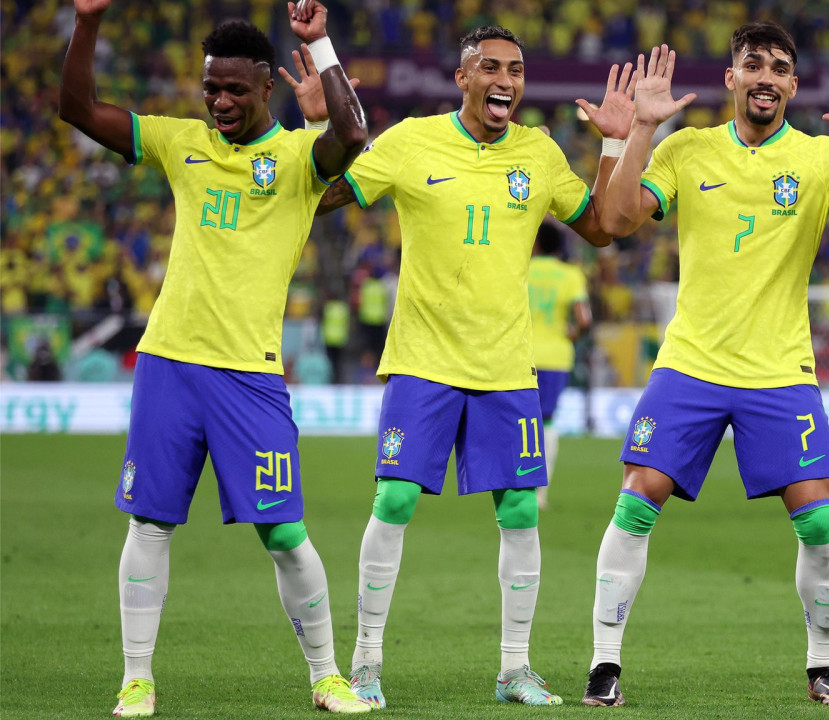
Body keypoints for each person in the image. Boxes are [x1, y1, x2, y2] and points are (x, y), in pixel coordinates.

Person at [297, 25, 629, 708]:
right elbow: (321, 200)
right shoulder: (411, 141)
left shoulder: (538, 152)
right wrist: (314, 139)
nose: (506, 79)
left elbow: (598, 226)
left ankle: (514, 670)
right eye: (491, 67)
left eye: (516, 69)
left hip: (508, 366)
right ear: (463, 78)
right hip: (422, 359)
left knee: (518, 513)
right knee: (394, 499)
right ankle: (365, 664)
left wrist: (616, 146)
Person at [59, 0, 371, 715]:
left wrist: (320, 45)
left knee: (286, 533)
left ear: (268, 89)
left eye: (235, 89)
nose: (220, 101)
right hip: (168, 362)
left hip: (250, 374)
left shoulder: (298, 159)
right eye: (210, 88)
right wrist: (86, 22)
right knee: (149, 522)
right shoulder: (179, 142)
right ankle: (137, 678)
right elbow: (77, 107)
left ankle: (326, 677)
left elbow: (351, 134)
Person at [583, 24, 829, 707]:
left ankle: (823, 664)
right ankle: (604, 662)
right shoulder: (688, 149)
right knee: (639, 496)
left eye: (780, 67)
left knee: (819, 520)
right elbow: (613, 220)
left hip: (781, 370)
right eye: (752, 64)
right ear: (731, 78)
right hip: (691, 363)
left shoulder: (820, 160)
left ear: (792, 85)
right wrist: (638, 127)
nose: (766, 75)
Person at [527, 222, 592, 510]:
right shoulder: (571, 275)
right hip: (555, 356)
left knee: (519, 421)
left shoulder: (520, 269)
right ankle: (540, 493)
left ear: (536, 244)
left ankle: (514, 484)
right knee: (547, 421)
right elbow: (584, 319)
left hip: (520, 354)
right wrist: (572, 334)